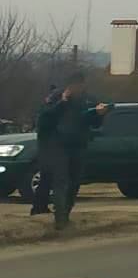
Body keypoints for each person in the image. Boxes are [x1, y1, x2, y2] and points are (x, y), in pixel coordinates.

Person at [34, 72, 109, 229]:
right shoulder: (55, 97)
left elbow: (94, 123)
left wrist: (99, 114)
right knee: (61, 181)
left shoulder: (89, 99)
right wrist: (62, 102)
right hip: (57, 145)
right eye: (76, 86)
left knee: (74, 182)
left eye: (81, 86)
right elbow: (44, 118)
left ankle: (66, 214)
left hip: (78, 145)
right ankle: (60, 218)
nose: (79, 89)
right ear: (69, 85)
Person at [30, 85, 61, 215]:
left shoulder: (44, 111)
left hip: (47, 149)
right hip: (49, 149)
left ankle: (40, 207)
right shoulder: (48, 113)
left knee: (46, 180)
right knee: (47, 180)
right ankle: (39, 207)